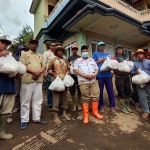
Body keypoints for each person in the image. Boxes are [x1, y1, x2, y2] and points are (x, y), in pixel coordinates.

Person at [20, 38, 47, 130]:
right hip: (28, 79)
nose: (34, 45)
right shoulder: (24, 54)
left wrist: (39, 72)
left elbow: (44, 65)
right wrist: (34, 72)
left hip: (38, 80)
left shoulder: (40, 55)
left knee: (38, 100)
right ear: (29, 44)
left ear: (37, 45)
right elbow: (23, 65)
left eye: (36, 43)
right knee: (25, 101)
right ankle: (24, 120)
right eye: (32, 43)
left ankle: (36, 118)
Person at [74, 45, 103, 124]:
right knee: (85, 98)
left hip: (93, 81)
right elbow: (75, 70)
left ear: (88, 52)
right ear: (81, 52)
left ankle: (95, 112)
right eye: (83, 51)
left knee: (96, 95)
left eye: (86, 51)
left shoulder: (92, 60)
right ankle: (86, 115)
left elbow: (97, 68)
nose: (85, 53)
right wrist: (84, 76)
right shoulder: (77, 60)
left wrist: (95, 75)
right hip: (83, 82)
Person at [0, 36, 20, 139]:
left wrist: (17, 74)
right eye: (2, 42)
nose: (4, 44)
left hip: (8, 86)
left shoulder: (10, 57)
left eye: (6, 43)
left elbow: (14, 69)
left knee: (5, 112)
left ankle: (1, 132)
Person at [48, 46, 70, 124]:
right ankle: (55, 115)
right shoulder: (53, 60)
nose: (60, 52)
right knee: (56, 97)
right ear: (56, 52)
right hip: (56, 80)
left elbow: (69, 69)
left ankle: (64, 113)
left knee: (64, 97)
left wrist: (68, 73)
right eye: (59, 51)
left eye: (61, 51)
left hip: (64, 81)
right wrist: (53, 74)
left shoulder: (65, 60)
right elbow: (49, 69)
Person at [92, 41, 115, 112]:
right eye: (100, 46)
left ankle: (112, 105)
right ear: (98, 47)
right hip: (99, 75)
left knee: (110, 91)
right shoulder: (95, 54)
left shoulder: (107, 54)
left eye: (103, 46)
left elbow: (110, 63)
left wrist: (111, 67)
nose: (102, 47)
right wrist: (101, 60)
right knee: (100, 91)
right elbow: (93, 63)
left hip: (108, 75)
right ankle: (101, 106)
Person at [112, 45, 132, 115]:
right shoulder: (114, 58)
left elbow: (129, 65)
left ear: (123, 50)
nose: (119, 50)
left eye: (121, 49)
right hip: (119, 76)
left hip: (127, 76)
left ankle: (128, 106)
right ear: (116, 51)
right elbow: (114, 68)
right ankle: (123, 107)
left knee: (128, 90)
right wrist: (122, 71)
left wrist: (128, 71)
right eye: (118, 49)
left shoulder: (126, 57)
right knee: (121, 91)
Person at [131, 49, 150, 119]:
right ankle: (146, 111)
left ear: (144, 55)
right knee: (142, 98)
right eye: (138, 54)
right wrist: (135, 72)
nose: (139, 55)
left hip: (149, 83)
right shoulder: (135, 63)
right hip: (140, 84)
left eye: (141, 54)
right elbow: (131, 72)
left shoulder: (148, 62)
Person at [13, 46, 28, 113]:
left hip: (26, 76)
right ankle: (17, 106)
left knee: (26, 91)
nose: (23, 51)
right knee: (17, 92)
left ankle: (25, 106)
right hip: (17, 76)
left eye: (24, 50)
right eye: (22, 50)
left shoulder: (27, 56)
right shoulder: (14, 57)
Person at [43, 42, 56, 111]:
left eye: (54, 45)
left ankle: (56, 104)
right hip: (49, 74)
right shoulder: (46, 53)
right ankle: (50, 104)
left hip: (56, 74)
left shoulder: (57, 53)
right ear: (49, 46)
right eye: (52, 45)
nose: (53, 47)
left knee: (56, 89)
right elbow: (44, 63)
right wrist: (44, 73)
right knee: (49, 89)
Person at [68, 45, 82, 111]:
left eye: (76, 49)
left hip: (79, 76)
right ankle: (74, 104)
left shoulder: (80, 57)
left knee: (79, 90)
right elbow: (68, 66)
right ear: (72, 50)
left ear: (77, 50)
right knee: (72, 90)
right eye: (73, 49)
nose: (75, 50)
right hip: (72, 76)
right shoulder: (70, 58)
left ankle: (79, 104)